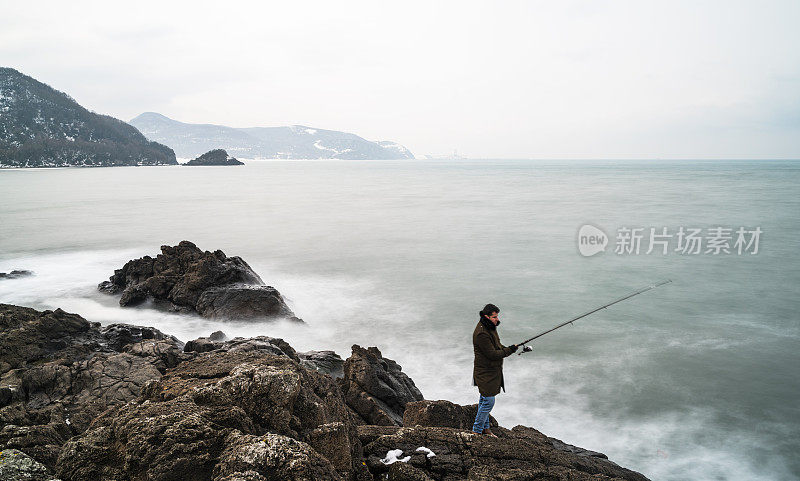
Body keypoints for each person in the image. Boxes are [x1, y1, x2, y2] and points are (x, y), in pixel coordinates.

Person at [472, 303, 517, 436]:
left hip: (491, 371)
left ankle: (485, 429)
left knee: (484, 399)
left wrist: (509, 348)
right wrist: (509, 351)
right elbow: (492, 354)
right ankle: (476, 431)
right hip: (485, 372)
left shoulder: (489, 327)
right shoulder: (481, 333)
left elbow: (496, 345)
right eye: (495, 317)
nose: (497, 319)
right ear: (486, 316)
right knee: (488, 402)